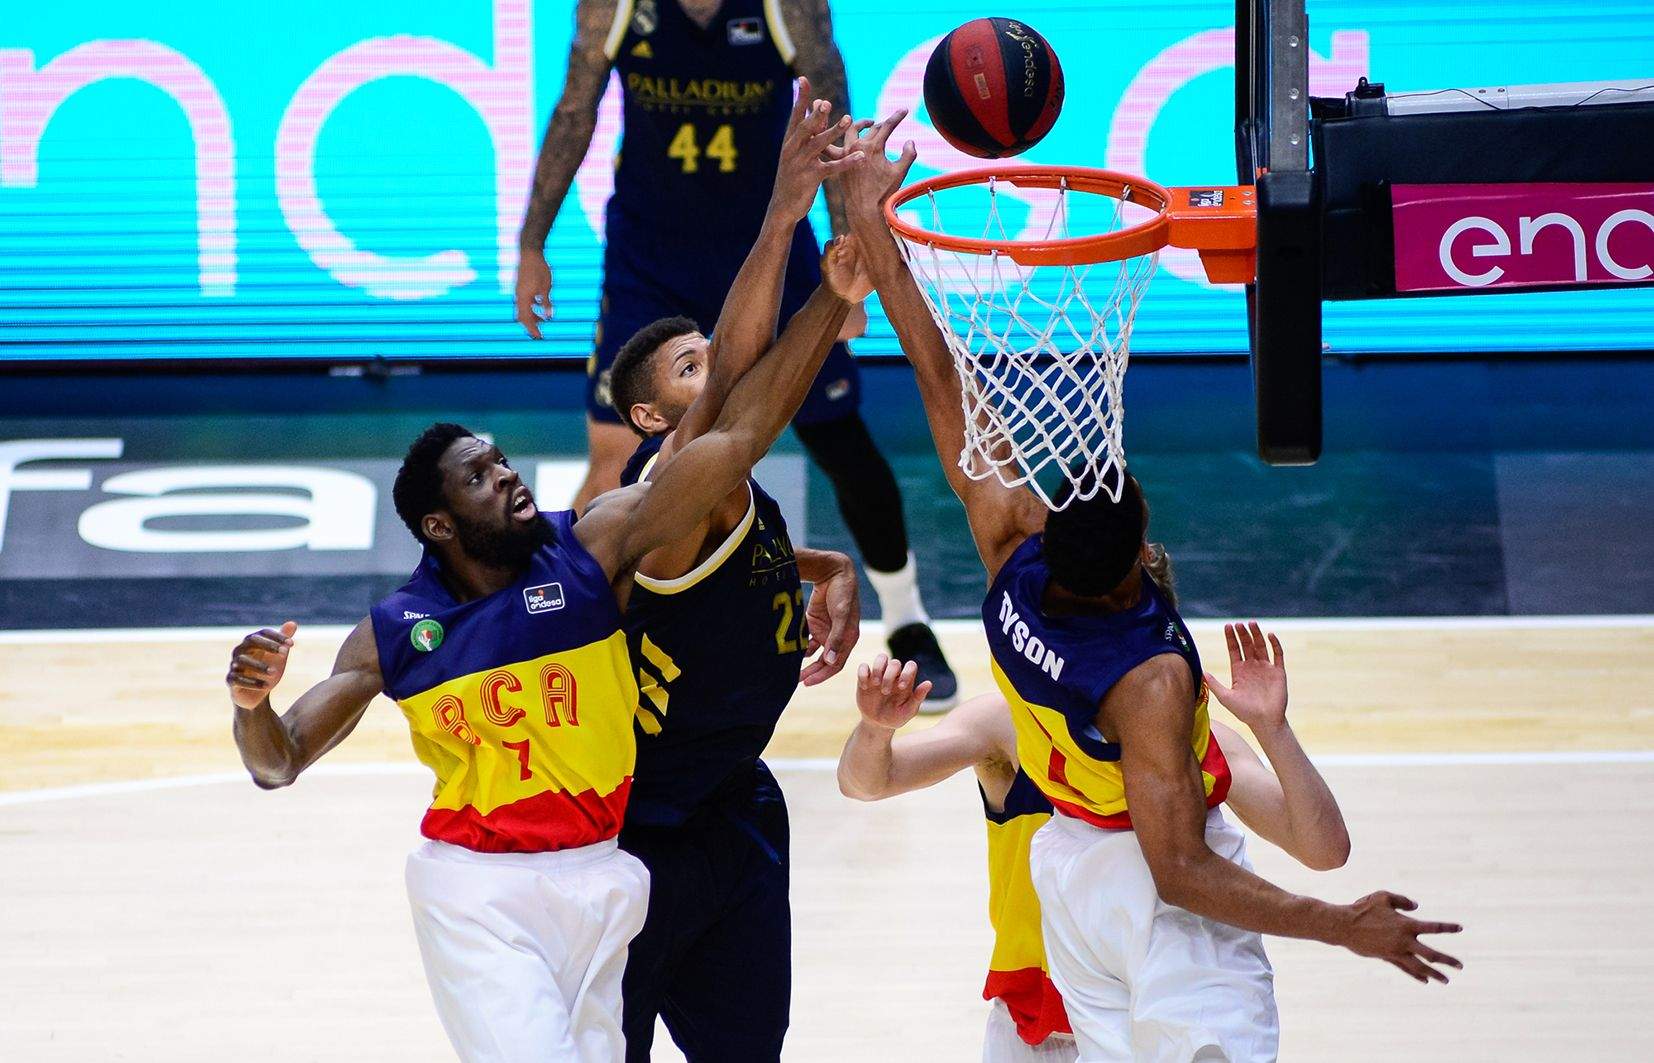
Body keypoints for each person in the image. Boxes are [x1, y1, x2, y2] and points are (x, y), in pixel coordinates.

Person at [836, 114, 1462, 1062]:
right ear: (1135, 564)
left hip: (1071, 883)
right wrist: (1342, 924)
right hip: (1149, 884)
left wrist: (862, 206)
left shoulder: (1011, 560)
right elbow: (1179, 868)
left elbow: (933, 362)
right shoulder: (1155, 682)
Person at [223, 212, 868, 1061]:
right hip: (479, 889)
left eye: (503, 462)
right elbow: (279, 760)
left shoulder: (592, 550)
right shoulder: (396, 636)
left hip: (606, 871)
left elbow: (728, 441)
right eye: (482, 479)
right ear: (440, 524)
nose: (508, 477)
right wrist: (251, 704)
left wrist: (830, 299)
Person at [514, 0, 957, 708]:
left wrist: (850, 257)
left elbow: (835, 121)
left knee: (839, 439)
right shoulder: (615, 6)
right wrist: (532, 242)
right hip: (649, 259)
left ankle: (906, 617)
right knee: (610, 457)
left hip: (768, 251)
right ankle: (567, 636)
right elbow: (575, 112)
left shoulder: (789, 8)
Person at [600, 90, 865, 1061]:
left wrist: (825, 562)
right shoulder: (668, 481)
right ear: (644, 419)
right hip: (636, 834)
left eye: (704, 351)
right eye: (684, 365)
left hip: (737, 805)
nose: (710, 364)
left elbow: (734, 545)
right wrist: (789, 224)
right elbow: (735, 390)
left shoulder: (725, 495)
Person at [836, 618, 1352, 1062]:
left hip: (1152, 1002)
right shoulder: (1009, 723)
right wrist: (875, 730)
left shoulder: (1199, 740)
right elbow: (865, 782)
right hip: (1040, 1013)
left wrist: (1273, 728)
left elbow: (1325, 849)